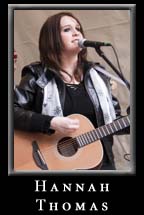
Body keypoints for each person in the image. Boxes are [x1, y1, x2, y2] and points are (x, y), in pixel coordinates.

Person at [14, 12, 130, 170]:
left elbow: (112, 122)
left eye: (78, 28)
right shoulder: (37, 75)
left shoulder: (99, 75)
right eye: (67, 29)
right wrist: (50, 122)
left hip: (102, 165)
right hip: (51, 167)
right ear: (52, 38)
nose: (76, 33)